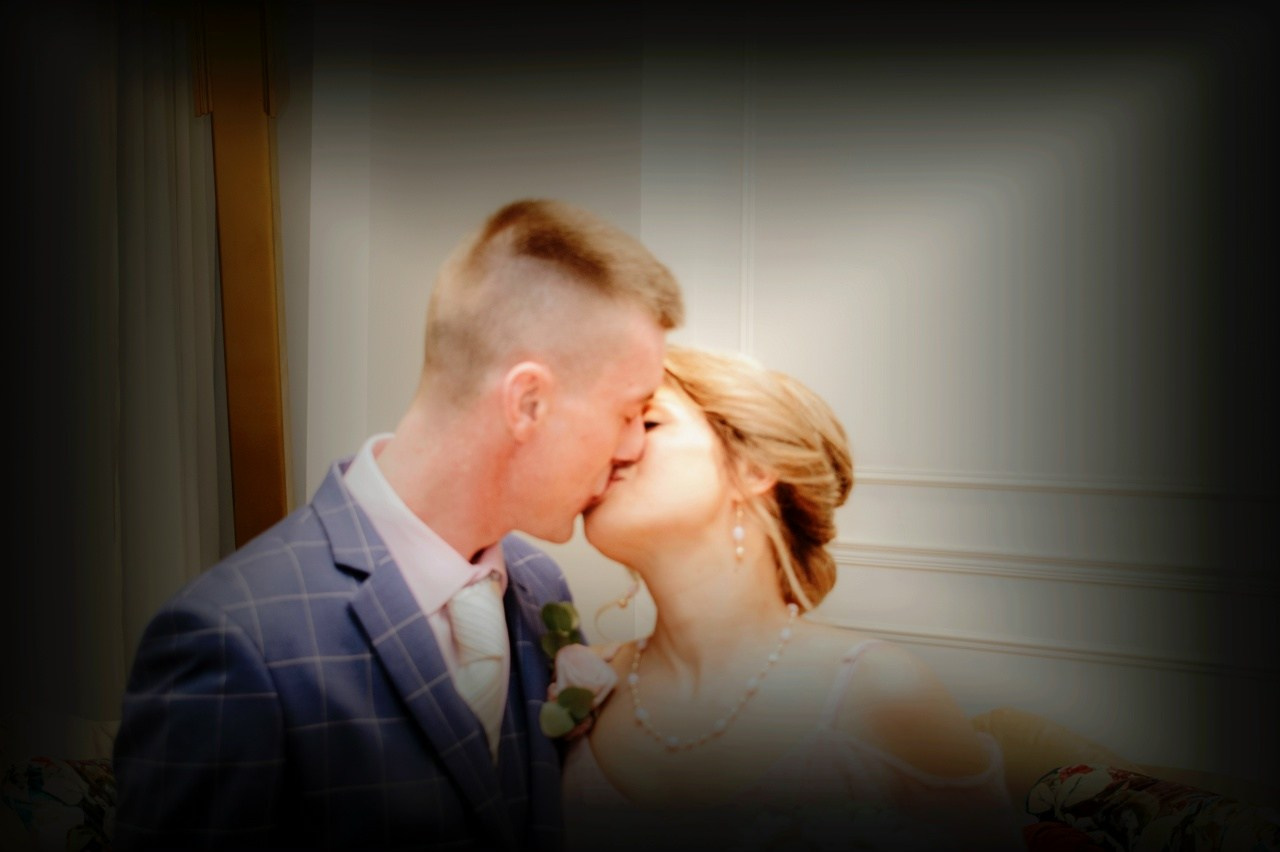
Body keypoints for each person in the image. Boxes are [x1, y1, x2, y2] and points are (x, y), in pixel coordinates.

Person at [112, 198, 685, 851]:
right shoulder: (232, 639)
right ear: (527, 403)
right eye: (629, 413)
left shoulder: (540, 588)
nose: (634, 448)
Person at [558, 345, 1024, 852]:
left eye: (648, 424)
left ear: (754, 469)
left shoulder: (883, 692)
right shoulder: (583, 687)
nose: (609, 451)